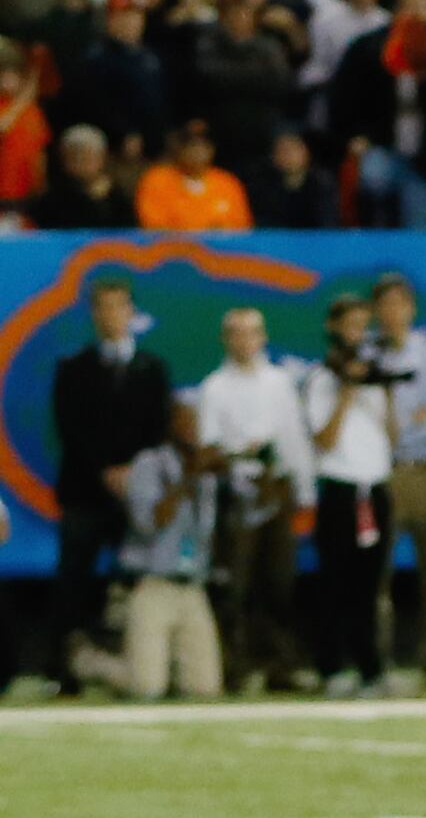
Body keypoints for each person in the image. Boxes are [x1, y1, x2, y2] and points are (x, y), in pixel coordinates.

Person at [43, 277, 172, 697]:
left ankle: (137, 668)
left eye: (119, 306)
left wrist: (134, 472)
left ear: (131, 313)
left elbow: (159, 428)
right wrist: (105, 469)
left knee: (138, 584)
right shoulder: (73, 368)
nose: (112, 314)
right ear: (94, 314)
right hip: (85, 491)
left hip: (140, 497)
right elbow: (70, 427)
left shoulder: (153, 369)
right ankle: (64, 674)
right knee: (73, 583)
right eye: (104, 306)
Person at [188, 304, 314, 695]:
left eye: (252, 331)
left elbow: (295, 440)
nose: (245, 340)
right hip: (237, 497)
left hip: (277, 495)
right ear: (226, 339)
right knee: (235, 588)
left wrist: (304, 494)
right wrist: (244, 456)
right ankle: (235, 669)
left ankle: (280, 666)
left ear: (263, 337)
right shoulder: (214, 388)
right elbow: (208, 451)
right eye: (237, 332)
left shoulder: (279, 383)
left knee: (278, 585)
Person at [300, 294, 400, 698]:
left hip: (374, 489)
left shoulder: (374, 376)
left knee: (369, 584)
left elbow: (392, 437)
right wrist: (346, 391)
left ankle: (370, 668)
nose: (357, 333)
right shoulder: (321, 378)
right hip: (340, 489)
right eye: (351, 324)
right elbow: (323, 439)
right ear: (334, 326)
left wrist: (383, 392)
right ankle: (331, 666)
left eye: (364, 324)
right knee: (335, 583)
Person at [368, 274, 426, 692]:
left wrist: (398, 427)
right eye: (384, 305)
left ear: (410, 308)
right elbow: (367, 424)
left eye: (399, 304)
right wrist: (407, 423)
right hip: (382, 473)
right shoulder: (367, 359)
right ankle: (378, 664)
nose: (392, 313)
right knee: (374, 576)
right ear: (377, 312)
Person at [115, 429, 228, 701]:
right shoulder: (148, 464)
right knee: (146, 688)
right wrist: (189, 476)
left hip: (192, 587)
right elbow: (151, 521)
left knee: (205, 689)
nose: (194, 427)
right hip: (154, 585)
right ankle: (92, 662)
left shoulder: (208, 471)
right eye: (187, 419)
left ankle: (162, 665)